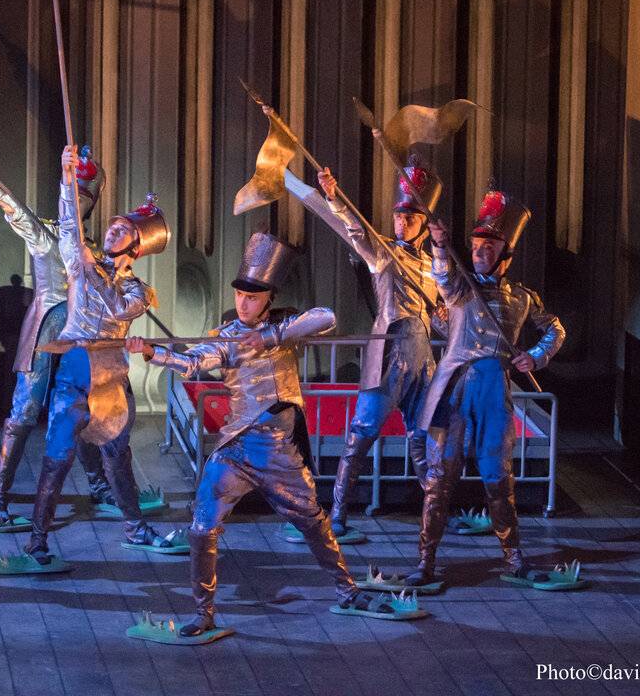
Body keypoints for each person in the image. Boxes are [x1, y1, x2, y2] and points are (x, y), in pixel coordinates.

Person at [126, 232, 424, 639]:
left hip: (279, 451)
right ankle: (204, 613)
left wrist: (270, 336)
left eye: (252, 297)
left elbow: (326, 317)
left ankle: (348, 592)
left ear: (268, 299)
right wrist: (152, 353)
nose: (243, 303)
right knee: (201, 527)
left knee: (314, 523)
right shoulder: (226, 336)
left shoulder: (285, 329)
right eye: (239, 295)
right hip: (236, 448)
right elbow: (194, 361)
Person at [25, 146, 181, 566]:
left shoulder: (137, 290)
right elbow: (68, 227)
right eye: (111, 226)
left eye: (121, 230)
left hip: (111, 381)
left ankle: (136, 527)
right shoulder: (82, 264)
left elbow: (120, 309)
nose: (111, 231)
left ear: (136, 247)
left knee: (117, 460)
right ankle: (37, 540)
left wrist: (95, 271)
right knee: (56, 459)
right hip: (74, 375)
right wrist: (67, 180)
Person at [409, 183, 566, 589]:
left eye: (488, 247)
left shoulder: (522, 298)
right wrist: (439, 245)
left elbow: (555, 328)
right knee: (439, 482)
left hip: (495, 393)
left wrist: (535, 356)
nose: (479, 252)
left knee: (499, 481)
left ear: (505, 256)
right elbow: (442, 276)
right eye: (476, 246)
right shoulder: (461, 288)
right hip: (456, 392)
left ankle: (513, 558)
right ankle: (425, 562)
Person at [0, 148, 113, 527]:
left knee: (81, 409)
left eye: (85, 197)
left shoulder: (93, 250)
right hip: (45, 329)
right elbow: (17, 214)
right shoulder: (46, 233)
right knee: (24, 412)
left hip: (79, 335)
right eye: (74, 194)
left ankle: (99, 484)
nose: (79, 203)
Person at [314, 157, 441, 544]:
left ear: (424, 222)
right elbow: (355, 231)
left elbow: (440, 316)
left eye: (410, 218)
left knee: (424, 438)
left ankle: (435, 512)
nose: (401, 223)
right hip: (387, 354)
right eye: (398, 216)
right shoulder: (383, 252)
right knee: (361, 435)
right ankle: (337, 513)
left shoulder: (435, 265)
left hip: (423, 359)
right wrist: (334, 197)